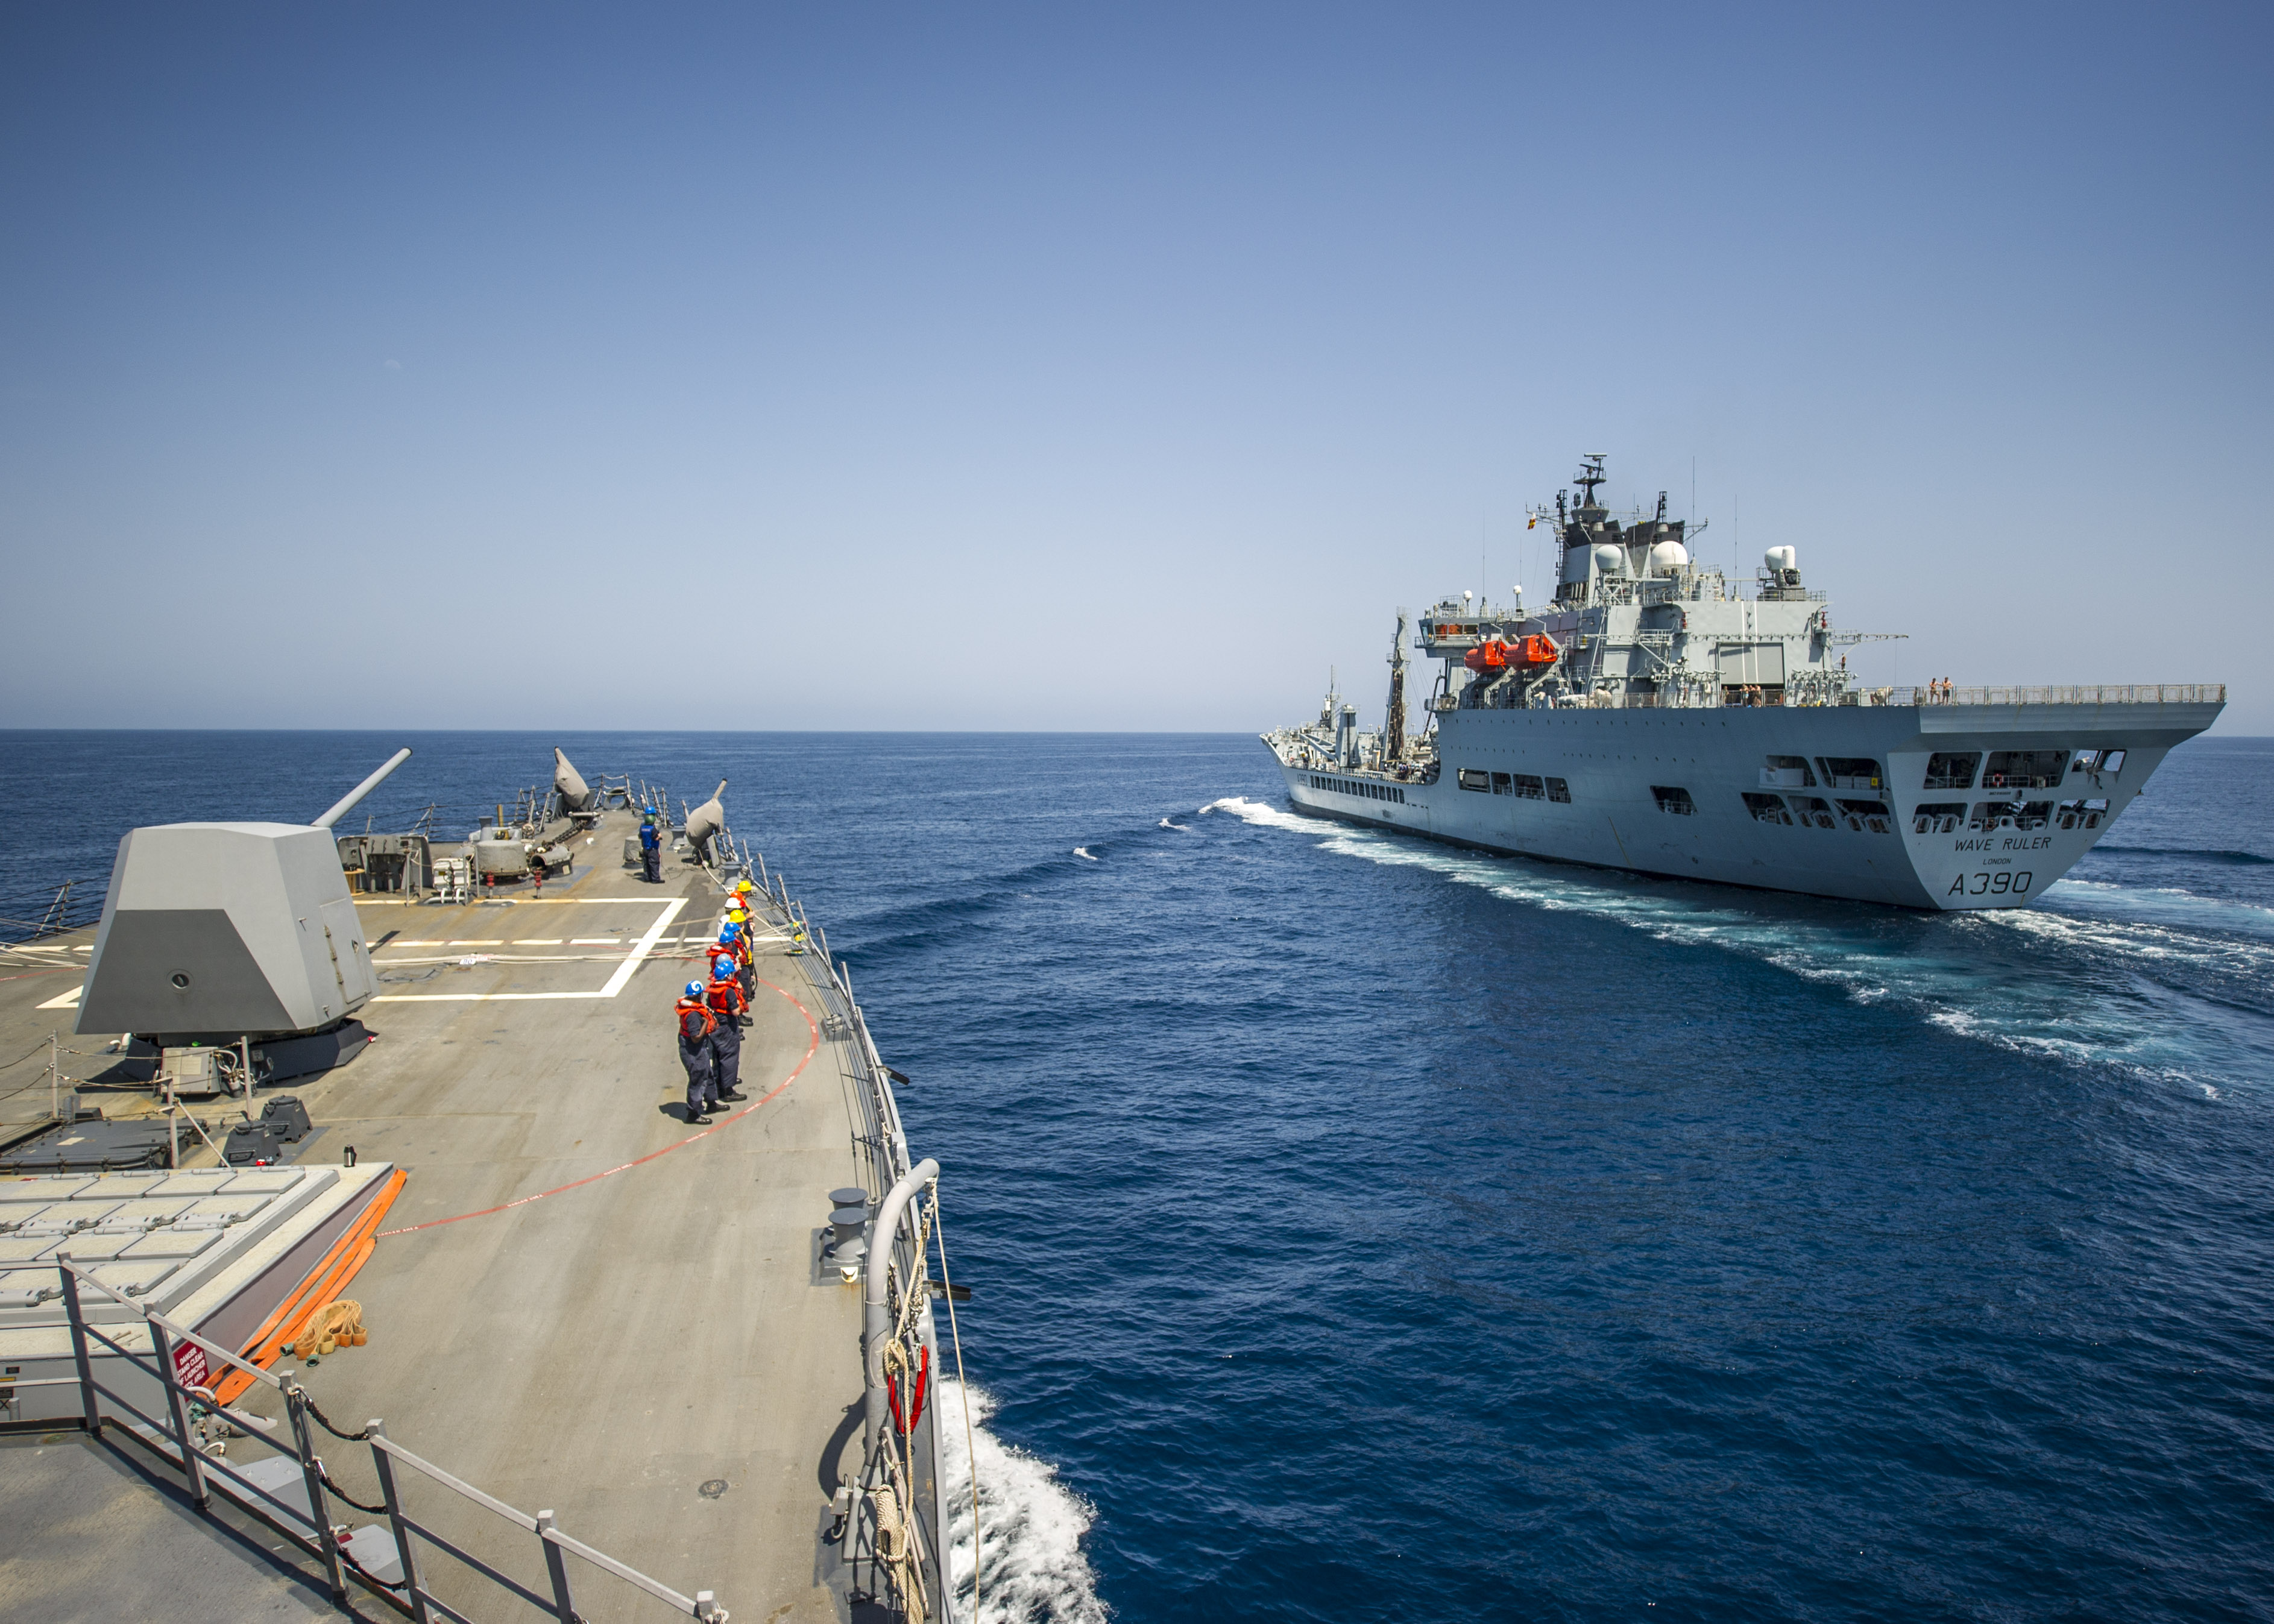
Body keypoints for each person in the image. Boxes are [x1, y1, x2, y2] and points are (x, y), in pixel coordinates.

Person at [675, 979, 718, 1124]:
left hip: (699, 1050)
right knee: (698, 1079)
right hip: (693, 1051)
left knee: (708, 1073)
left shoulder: (693, 1009)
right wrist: (705, 1022)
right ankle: (693, 1113)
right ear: (698, 996)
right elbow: (696, 1038)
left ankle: (711, 1102)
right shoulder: (693, 1015)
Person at [705, 960, 749, 1103]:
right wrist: (741, 1006)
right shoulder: (729, 991)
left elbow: (709, 1006)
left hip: (717, 1025)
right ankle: (728, 1091)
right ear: (728, 976)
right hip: (728, 1026)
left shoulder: (713, 989)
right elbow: (736, 1012)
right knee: (730, 1056)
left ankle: (719, 1087)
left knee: (718, 1056)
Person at [638, 809, 663, 884]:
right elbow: (656, 838)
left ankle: (647, 878)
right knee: (654, 863)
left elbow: (640, 836)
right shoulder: (652, 829)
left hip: (645, 848)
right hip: (652, 849)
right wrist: (660, 837)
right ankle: (656, 879)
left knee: (646, 864)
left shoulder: (643, 828)